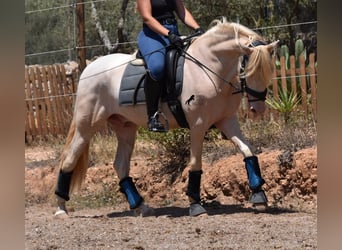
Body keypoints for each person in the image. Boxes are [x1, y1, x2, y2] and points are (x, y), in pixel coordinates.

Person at [136, 0, 204, 132]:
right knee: (157, 67)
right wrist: (168, 34)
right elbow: (147, 18)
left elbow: (182, 11)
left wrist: (198, 29)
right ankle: (152, 116)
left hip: (173, 31)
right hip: (152, 34)